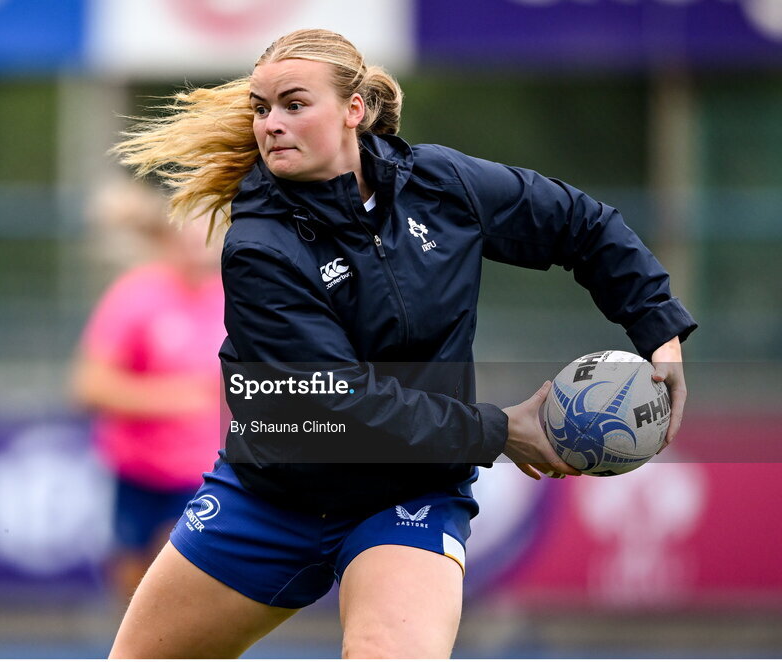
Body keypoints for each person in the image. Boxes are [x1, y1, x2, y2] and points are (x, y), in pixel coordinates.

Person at [106, 29, 696, 658]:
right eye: (262, 108)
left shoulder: (441, 186)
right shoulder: (260, 245)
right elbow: (340, 403)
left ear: (354, 110)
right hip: (272, 500)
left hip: (409, 496)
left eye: (294, 105)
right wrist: (499, 431)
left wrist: (658, 327)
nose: (271, 124)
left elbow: (581, 225)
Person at [70, 184, 224, 601]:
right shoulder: (136, 295)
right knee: (134, 588)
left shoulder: (233, 299)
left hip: (200, 474)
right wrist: (173, 399)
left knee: (177, 578)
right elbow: (88, 387)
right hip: (135, 469)